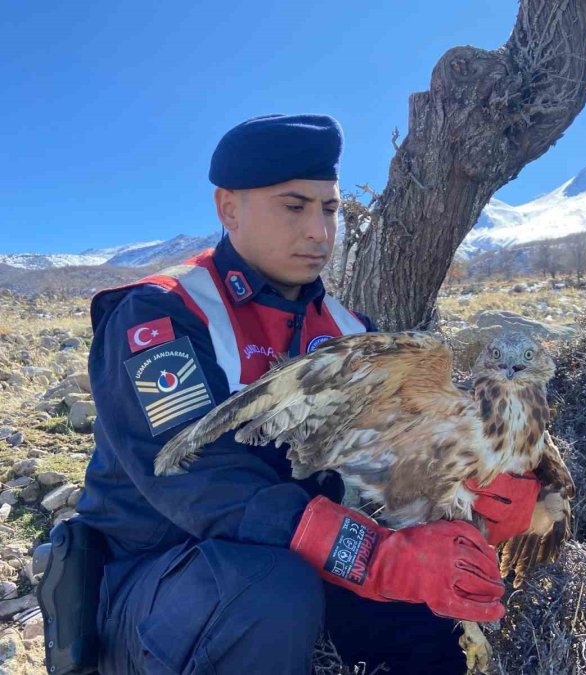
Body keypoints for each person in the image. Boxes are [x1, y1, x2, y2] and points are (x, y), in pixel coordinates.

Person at [75, 114, 541, 674]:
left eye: (329, 209)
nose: (319, 232)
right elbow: (200, 481)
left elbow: (387, 464)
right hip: (158, 581)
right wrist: (372, 557)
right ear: (229, 208)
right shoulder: (161, 313)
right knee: (268, 590)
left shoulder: (353, 332)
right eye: (294, 207)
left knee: (428, 607)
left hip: (311, 563)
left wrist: (471, 491)